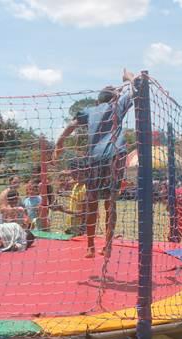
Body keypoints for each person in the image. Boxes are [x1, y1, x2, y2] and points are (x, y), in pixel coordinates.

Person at [54, 68, 136, 258]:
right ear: (114, 97)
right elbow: (136, 89)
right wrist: (128, 77)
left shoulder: (90, 110)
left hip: (94, 160)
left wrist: (59, 143)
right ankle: (107, 245)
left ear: (99, 100)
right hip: (114, 156)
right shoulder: (117, 105)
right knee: (110, 202)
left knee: (92, 202)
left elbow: (71, 125)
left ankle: (90, 245)